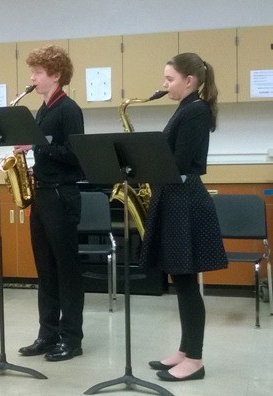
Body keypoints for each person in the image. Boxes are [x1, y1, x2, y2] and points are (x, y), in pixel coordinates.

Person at [139, 53, 228, 382]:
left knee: (188, 283)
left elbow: (177, 162)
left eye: (170, 79)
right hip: (175, 198)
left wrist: (145, 159)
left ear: (189, 81)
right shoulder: (187, 108)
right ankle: (184, 350)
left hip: (185, 201)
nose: (165, 85)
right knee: (181, 280)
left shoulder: (195, 110)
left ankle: (195, 360)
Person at [15, 45, 86, 362]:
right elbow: (50, 152)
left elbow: (76, 155)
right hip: (43, 194)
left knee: (66, 270)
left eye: (38, 73)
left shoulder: (68, 109)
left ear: (56, 75)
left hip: (61, 195)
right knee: (45, 270)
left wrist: (38, 144)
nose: (32, 78)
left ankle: (71, 338)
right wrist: (34, 163)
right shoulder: (43, 109)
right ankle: (48, 334)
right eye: (32, 72)